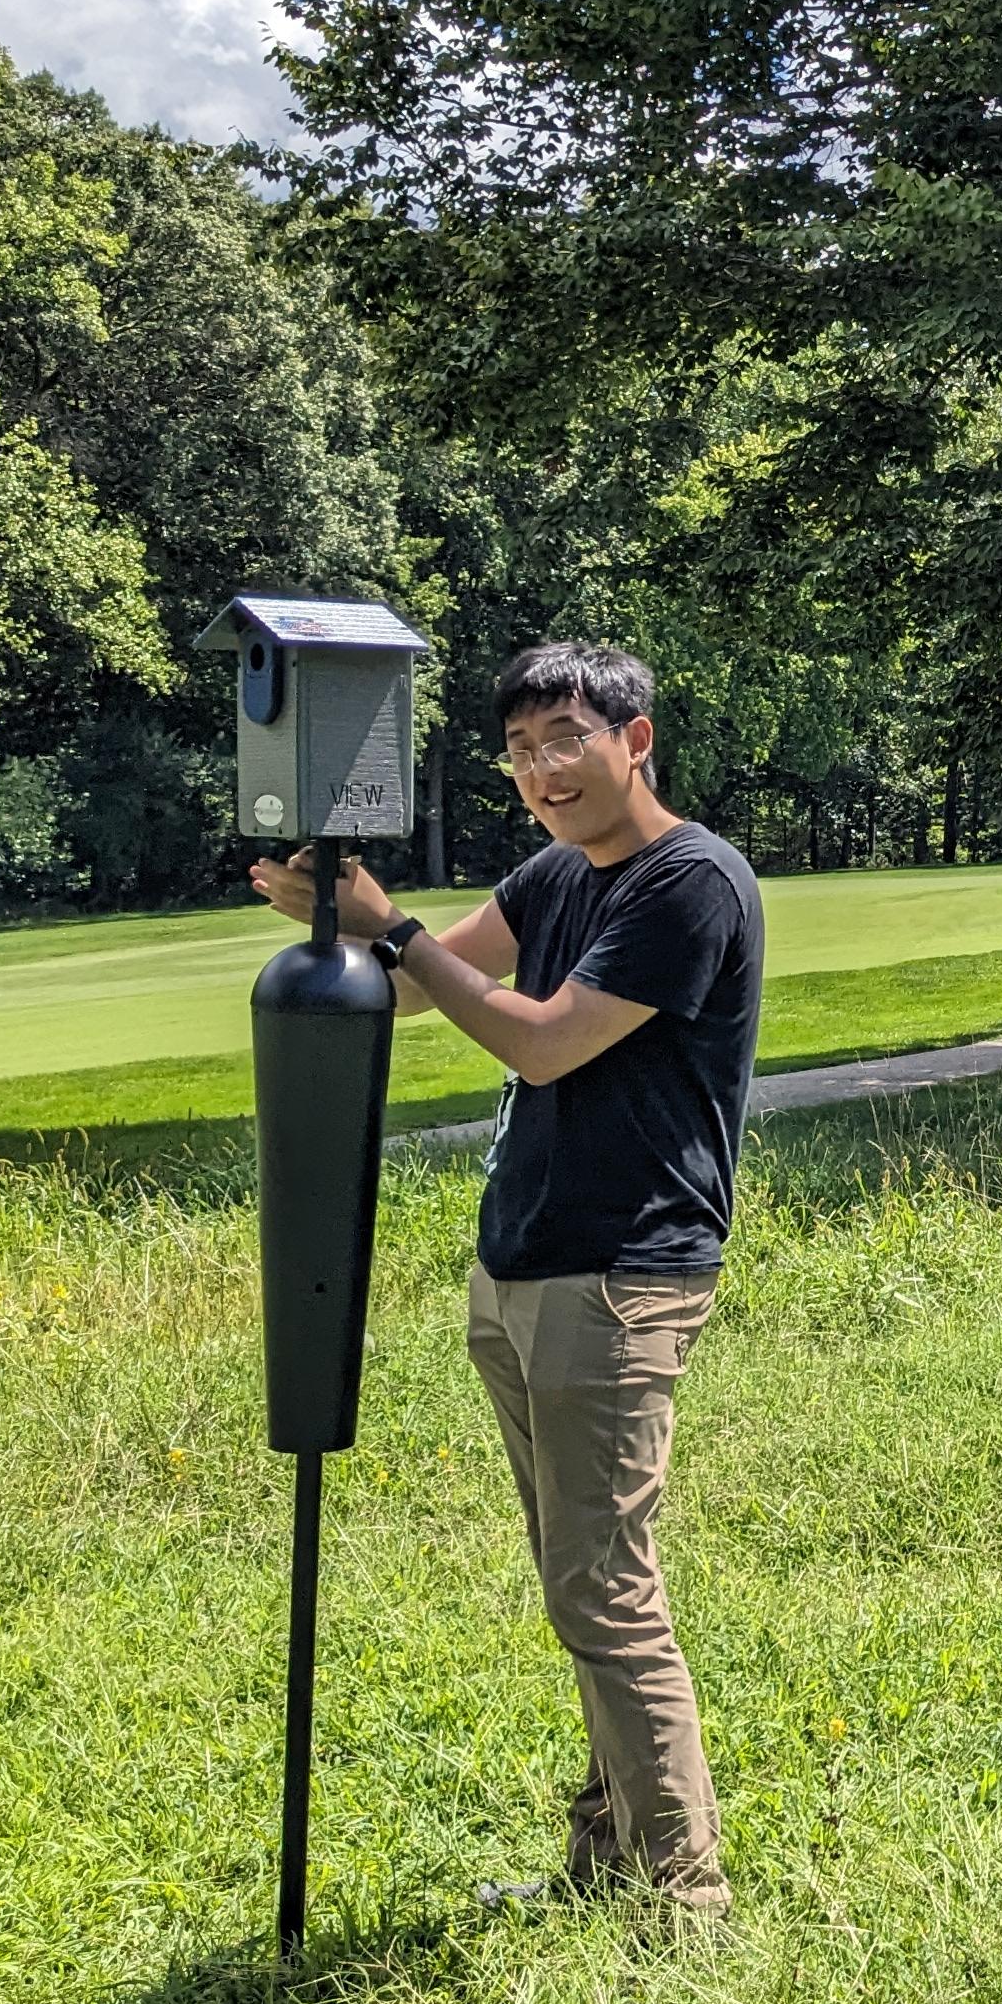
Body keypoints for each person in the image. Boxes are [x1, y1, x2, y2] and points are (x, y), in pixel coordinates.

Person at [252, 641, 763, 1919]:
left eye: (566, 741)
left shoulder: (691, 883)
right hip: (523, 1265)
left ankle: (683, 1898)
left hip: (620, 1275)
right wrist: (333, 917)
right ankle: (608, 1861)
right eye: (521, 751)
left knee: (605, 1587)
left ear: (633, 741)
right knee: (574, 1577)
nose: (542, 771)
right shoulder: (554, 875)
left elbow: (541, 1044)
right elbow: (432, 993)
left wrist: (398, 929)